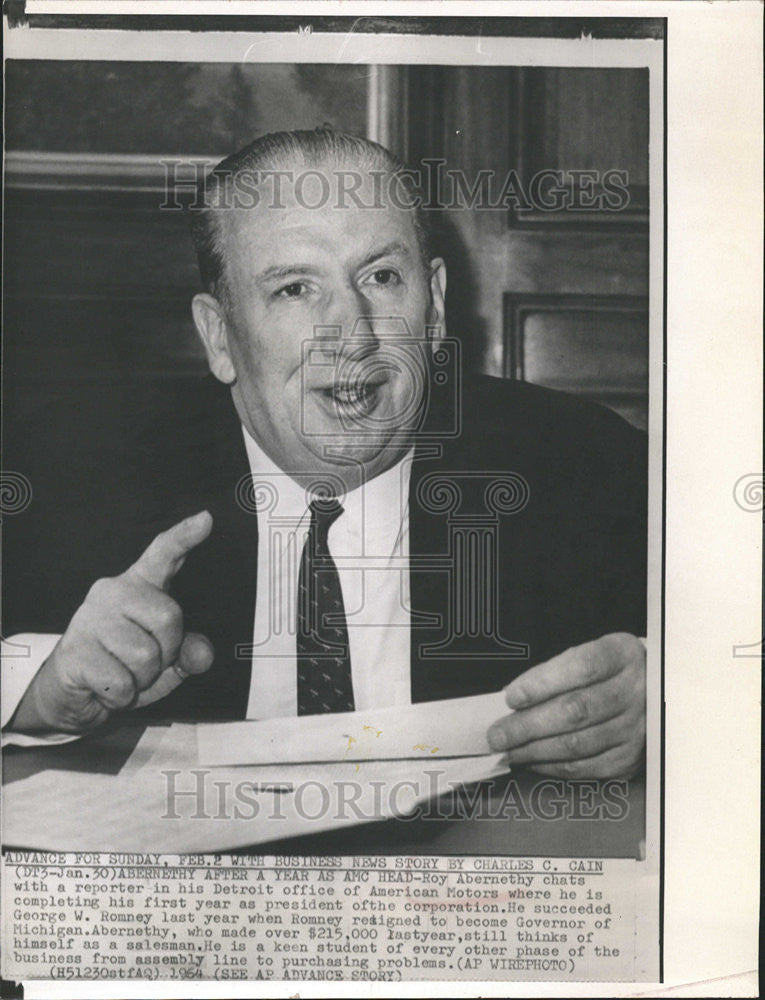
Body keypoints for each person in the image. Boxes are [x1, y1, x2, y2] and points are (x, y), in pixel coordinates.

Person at [1, 128, 647, 779]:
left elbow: (720, 657)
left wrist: (662, 702)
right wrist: (38, 690)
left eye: (381, 277)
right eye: (294, 289)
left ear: (434, 308)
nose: (352, 333)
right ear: (219, 336)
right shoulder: (74, 471)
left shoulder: (585, 464)